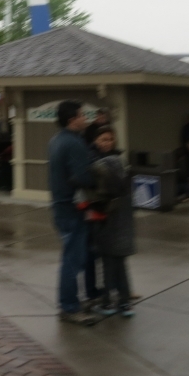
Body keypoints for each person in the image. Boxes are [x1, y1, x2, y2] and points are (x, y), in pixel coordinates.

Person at [47, 100, 97, 325]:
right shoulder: (74, 143)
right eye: (82, 115)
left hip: (59, 206)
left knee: (76, 256)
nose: (85, 119)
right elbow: (83, 177)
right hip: (73, 208)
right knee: (72, 260)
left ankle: (75, 300)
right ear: (72, 119)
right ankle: (69, 306)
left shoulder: (55, 141)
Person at [85, 127, 136, 318]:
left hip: (107, 218)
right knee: (117, 261)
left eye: (110, 139)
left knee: (110, 262)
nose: (107, 143)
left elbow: (95, 191)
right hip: (119, 218)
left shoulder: (100, 163)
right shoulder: (119, 162)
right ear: (96, 140)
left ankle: (109, 302)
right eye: (103, 139)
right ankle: (124, 302)